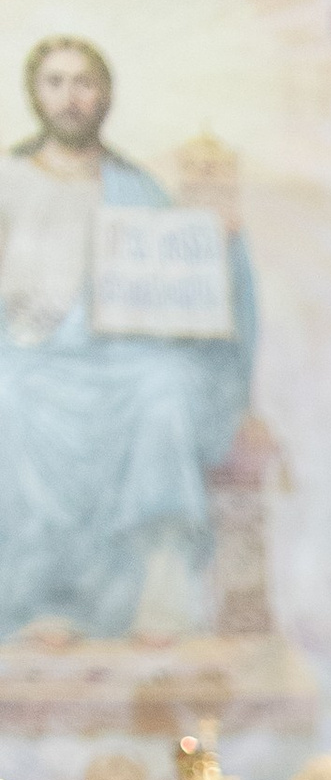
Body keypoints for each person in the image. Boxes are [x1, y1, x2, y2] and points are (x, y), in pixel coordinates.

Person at [0, 37, 255, 644]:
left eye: (83, 82)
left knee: (166, 385)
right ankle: (42, 599)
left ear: (104, 96)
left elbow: (185, 282)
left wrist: (223, 243)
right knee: (12, 395)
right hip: (32, 351)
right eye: (55, 82)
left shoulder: (135, 187)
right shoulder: (7, 179)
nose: (70, 97)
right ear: (35, 94)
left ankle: (157, 595)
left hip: (122, 354)